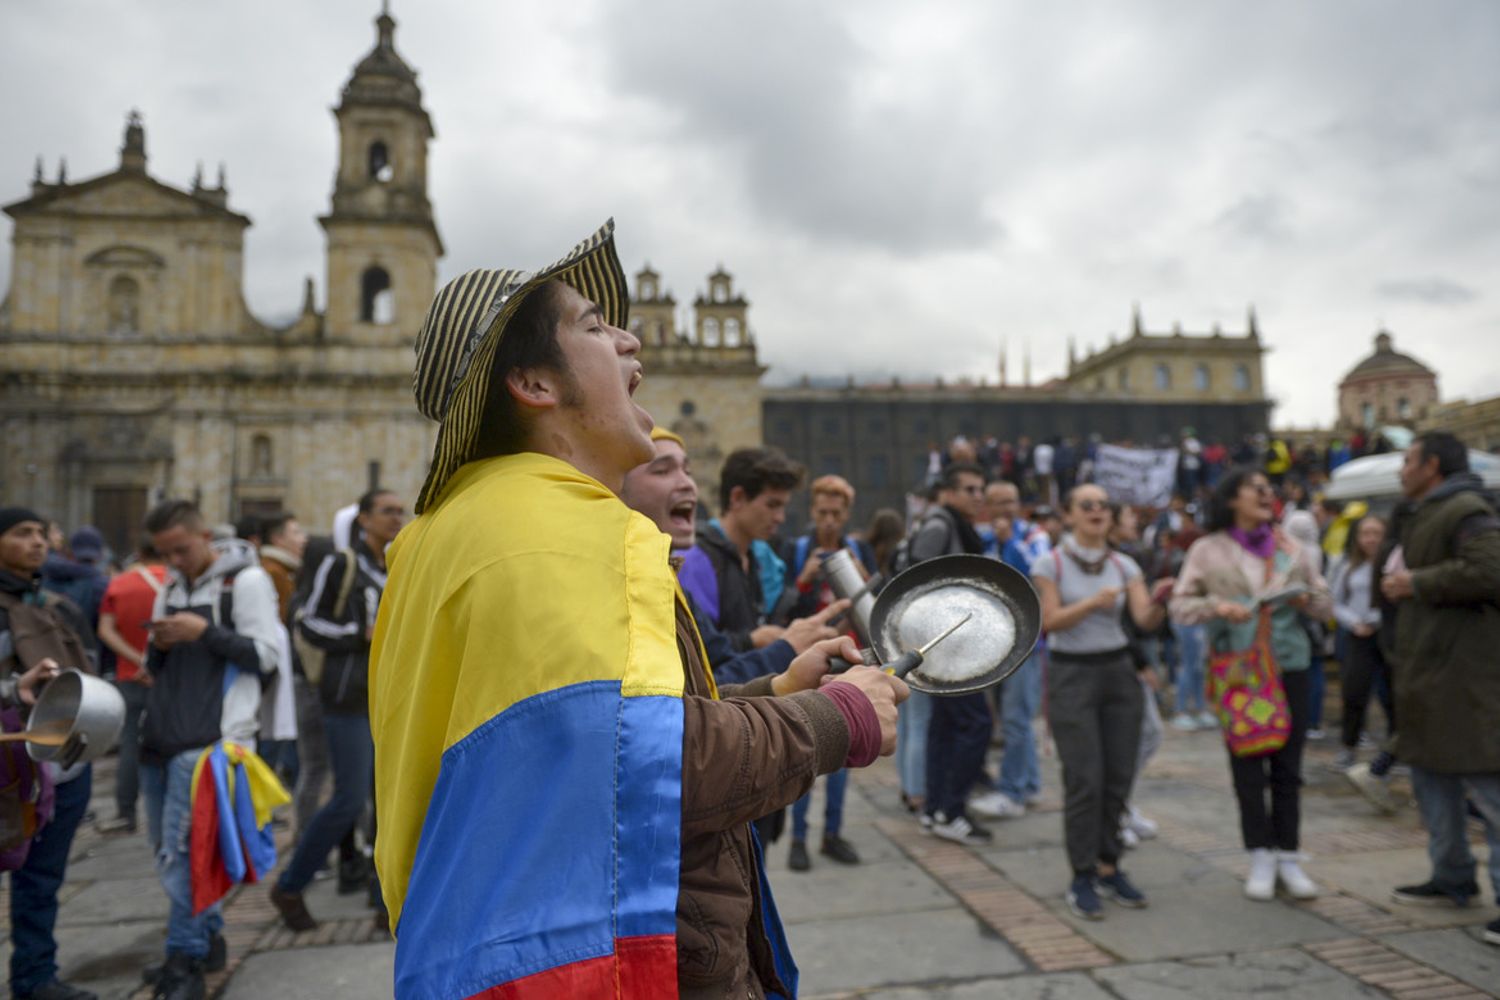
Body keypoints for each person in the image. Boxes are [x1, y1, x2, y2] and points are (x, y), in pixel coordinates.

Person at [367, 223, 907, 998]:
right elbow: (643, 770)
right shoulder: (564, 531)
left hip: (489, 945)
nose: (627, 340)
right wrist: (841, 719)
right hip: (598, 961)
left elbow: (565, 748)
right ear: (535, 385)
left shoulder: (452, 529)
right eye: (591, 326)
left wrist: (779, 694)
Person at [140, 499, 281, 1000]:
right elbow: (153, 666)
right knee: (168, 852)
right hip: (160, 735)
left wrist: (204, 631)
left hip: (209, 744)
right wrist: (160, 643)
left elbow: (265, 656)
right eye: (164, 554)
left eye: (181, 549)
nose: (174, 561)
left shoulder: (244, 582)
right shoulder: (173, 586)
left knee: (184, 857)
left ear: (205, 537)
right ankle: (209, 934)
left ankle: (185, 959)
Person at [1171, 468, 1331, 903]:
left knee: (1288, 766)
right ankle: (1259, 854)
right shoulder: (1207, 550)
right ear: (1231, 499)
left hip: (1288, 666)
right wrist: (1218, 606)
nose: (1266, 494)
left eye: (1268, 489)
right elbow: (1181, 606)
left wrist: (1307, 598)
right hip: (1238, 671)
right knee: (1247, 763)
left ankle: (1289, 857)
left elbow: (1323, 604)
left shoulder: (1292, 549)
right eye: (1254, 488)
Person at [1379, 433, 1500, 946]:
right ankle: (1451, 878)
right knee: (1433, 785)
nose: (1401, 470)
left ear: (1431, 465)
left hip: (1467, 680)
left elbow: (1491, 570)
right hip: (1427, 677)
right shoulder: (1423, 511)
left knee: (1491, 795)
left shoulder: (1466, 508)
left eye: (1408, 460)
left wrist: (1418, 583)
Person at [1032, 485, 1167, 920]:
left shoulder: (1124, 564)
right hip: (1072, 673)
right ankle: (1082, 875)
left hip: (1118, 672)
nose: (1096, 511)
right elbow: (1049, 622)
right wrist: (1093, 602)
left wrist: (1162, 600)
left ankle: (1110, 867)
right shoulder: (1048, 563)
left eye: (1103, 506)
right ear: (1069, 514)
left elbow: (1143, 619)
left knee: (1119, 775)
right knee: (1085, 778)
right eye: (1085, 504)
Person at [271, 489, 403, 933]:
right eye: (387, 511)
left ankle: (385, 899)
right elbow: (306, 620)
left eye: (400, 511)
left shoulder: (391, 566)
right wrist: (358, 634)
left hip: (385, 697)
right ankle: (290, 884)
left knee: (385, 802)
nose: (396, 518)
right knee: (348, 798)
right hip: (346, 699)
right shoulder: (342, 563)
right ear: (363, 518)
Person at [0, 508, 99, 1000]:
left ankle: (36, 977)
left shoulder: (55, 604)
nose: (37, 542)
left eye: (42, 533)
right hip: (10, 762)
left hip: (60, 762)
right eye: (22, 534)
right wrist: (12, 690)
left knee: (42, 879)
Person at [782, 475, 872, 872]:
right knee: (806, 750)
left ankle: (832, 832)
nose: (829, 521)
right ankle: (798, 837)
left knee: (843, 750)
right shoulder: (797, 549)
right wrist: (803, 579)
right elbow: (781, 607)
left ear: (847, 514)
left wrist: (859, 575)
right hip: (807, 661)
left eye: (837, 514)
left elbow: (872, 607)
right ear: (812, 512)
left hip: (849, 659)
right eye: (823, 513)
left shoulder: (857, 550)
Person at [909, 462, 996, 844]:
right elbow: (916, 582)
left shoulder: (950, 525)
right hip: (947, 648)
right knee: (976, 725)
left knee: (945, 727)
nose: (978, 496)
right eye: (970, 489)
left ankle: (935, 809)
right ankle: (951, 809)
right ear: (947, 492)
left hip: (948, 647)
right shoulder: (940, 526)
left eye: (981, 489)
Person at [679, 447, 805, 652]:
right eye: (772, 505)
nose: (780, 517)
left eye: (783, 507)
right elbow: (696, 649)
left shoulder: (756, 555)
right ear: (737, 497)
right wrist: (751, 640)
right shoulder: (696, 561)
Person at [972, 480, 1046, 820]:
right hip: (994, 643)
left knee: (1017, 719)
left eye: (1011, 501)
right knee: (1012, 719)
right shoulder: (982, 540)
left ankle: (1012, 791)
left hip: (1027, 642)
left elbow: (1037, 574)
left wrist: (1009, 543)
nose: (1005, 508)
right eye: (998, 502)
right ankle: (1029, 783)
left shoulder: (1033, 536)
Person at [95, 539, 168, 835]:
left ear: (138, 553)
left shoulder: (119, 584)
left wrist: (136, 658)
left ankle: (126, 813)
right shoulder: (174, 581)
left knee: (130, 743)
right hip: (168, 676)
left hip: (130, 674)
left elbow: (105, 629)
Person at [1330, 515, 1392, 772]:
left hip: (1387, 635)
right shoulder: (1348, 567)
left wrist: (1376, 620)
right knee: (1354, 691)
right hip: (1357, 635)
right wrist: (1355, 623)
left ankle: (1393, 751)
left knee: (1391, 695)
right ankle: (1349, 745)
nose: (1371, 538)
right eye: (1366, 533)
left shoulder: (1393, 564)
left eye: (1376, 532)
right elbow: (1335, 602)